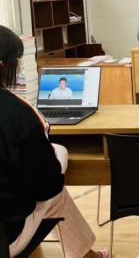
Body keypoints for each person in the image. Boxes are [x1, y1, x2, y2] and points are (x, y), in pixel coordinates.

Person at [0, 26, 108, 258]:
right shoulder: (18, 114)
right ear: (5, 65)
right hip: (5, 239)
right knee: (55, 183)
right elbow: (47, 188)